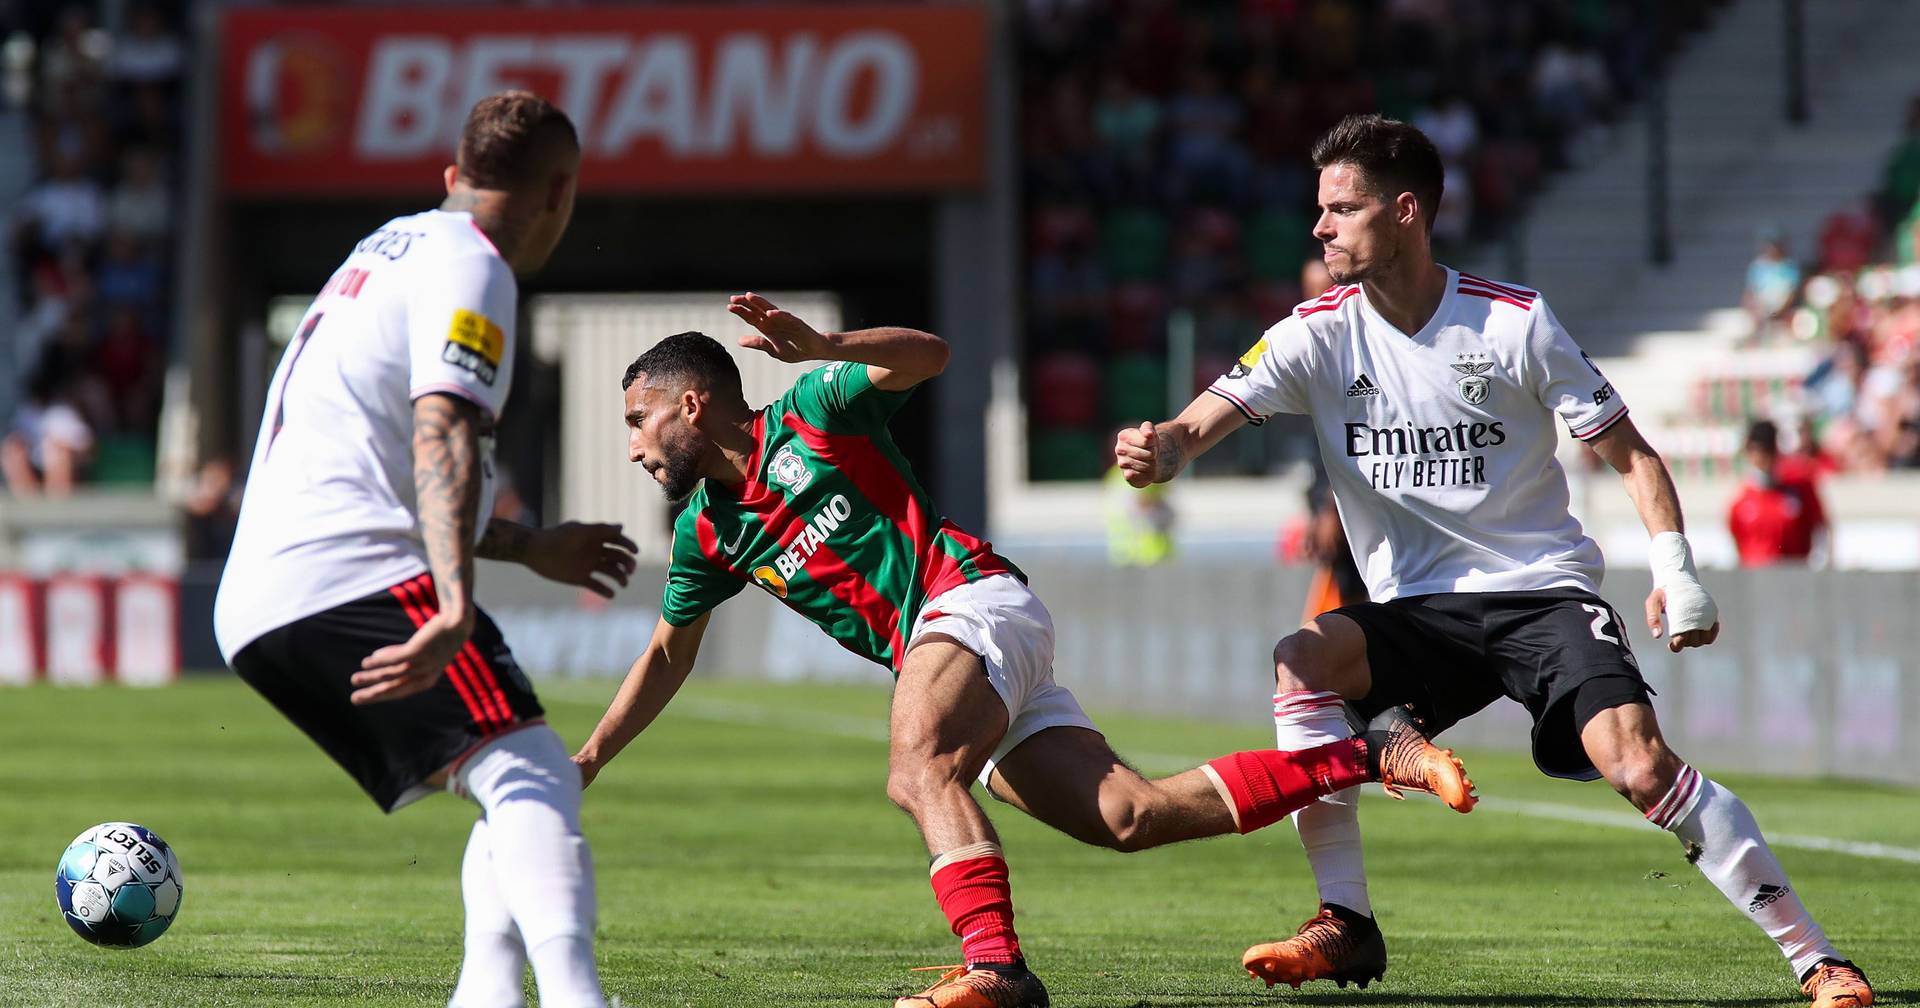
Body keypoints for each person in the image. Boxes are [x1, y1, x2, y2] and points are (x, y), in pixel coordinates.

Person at [1114, 114, 1872, 1008]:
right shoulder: (1313, 334)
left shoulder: (1514, 322)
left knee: (1638, 766)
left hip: (1539, 594)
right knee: (1301, 660)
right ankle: (1346, 924)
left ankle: (1818, 960)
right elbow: (1195, 428)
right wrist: (1161, 448)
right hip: (1417, 611)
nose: (1320, 227)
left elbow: (1630, 453)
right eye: (1319, 209)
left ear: (1405, 212)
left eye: (1341, 208)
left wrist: (1677, 569)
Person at [572, 300, 1477, 1008]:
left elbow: (928, 356)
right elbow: (664, 655)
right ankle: (1374, 751)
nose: (634, 444)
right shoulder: (705, 533)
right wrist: (588, 760)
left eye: (639, 419)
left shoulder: (813, 412)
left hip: (971, 602)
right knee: (1131, 815)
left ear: (690, 405)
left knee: (917, 769)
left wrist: (824, 345)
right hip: (955, 651)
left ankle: (997, 970)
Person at [213, 92, 637, 1008]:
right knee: (533, 771)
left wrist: (526, 546)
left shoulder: (391, 247)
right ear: (561, 193)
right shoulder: (474, 265)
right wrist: (453, 602)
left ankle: (484, 995)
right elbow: (438, 429)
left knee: (506, 771)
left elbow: (392, 457)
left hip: (264, 593)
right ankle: (576, 998)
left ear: (453, 178)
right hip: (345, 568)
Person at [1728, 419, 1829, 566]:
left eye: (1767, 450)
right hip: (1756, 580)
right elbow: (1736, 545)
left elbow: (1820, 529)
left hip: (1793, 576)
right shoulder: (1741, 500)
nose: (1761, 457)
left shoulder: (1800, 489)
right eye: (1756, 450)